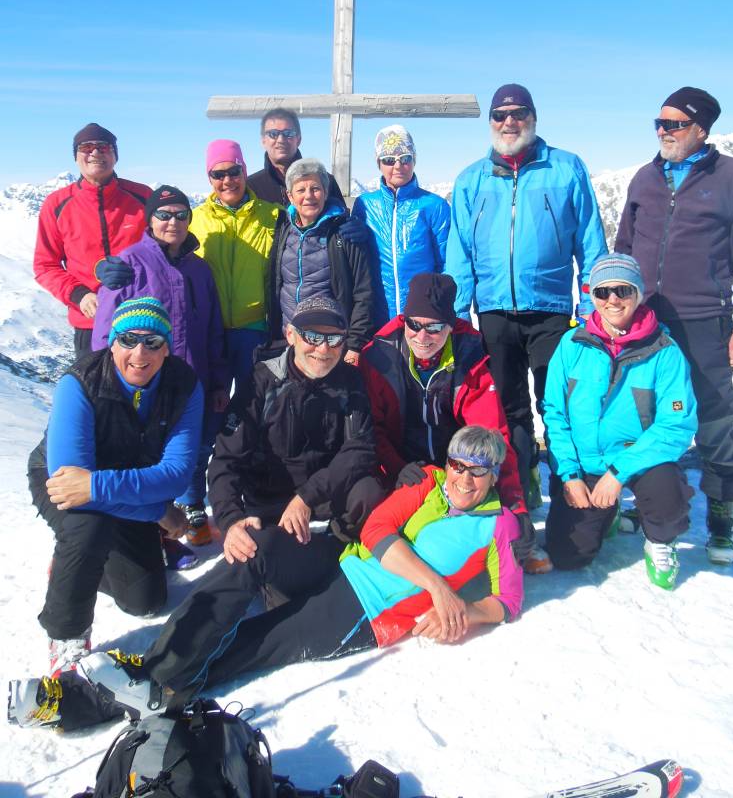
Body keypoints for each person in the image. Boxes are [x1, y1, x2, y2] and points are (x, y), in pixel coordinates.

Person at [9, 427, 524, 729]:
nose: (463, 478)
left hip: (366, 612)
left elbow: (509, 600)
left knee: (254, 643)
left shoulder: (498, 525)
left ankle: (88, 700)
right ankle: (156, 672)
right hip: (341, 561)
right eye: (458, 464)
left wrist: (463, 610)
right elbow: (377, 530)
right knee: (259, 550)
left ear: (493, 475)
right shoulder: (430, 482)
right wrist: (438, 588)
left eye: (477, 471)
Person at [616, 87, 733, 565]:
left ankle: (722, 514)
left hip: (705, 319)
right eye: (659, 123)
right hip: (646, 320)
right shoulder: (645, 178)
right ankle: (651, 498)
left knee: (714, 416)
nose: (663, 131)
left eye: (675, 124)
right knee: (644, 414)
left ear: (701, 129)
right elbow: (623, 248)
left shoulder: (731, 176)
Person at [446, 83, 607, 505]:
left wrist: (591, 306)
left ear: (533, 118)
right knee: (507, 407)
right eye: (500, 115)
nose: (509, 122)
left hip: (551, 311)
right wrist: (458, 316)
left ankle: (570, 491)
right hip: (494, 312)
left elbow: (590, 244)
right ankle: (520, 484)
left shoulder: (566, 168)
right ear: (490, 122)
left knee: (559, 405)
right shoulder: (471, 180)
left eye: (518, 113)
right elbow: (460, 255)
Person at [25, 297, 203, 676]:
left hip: (108, 485)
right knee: (88, 526)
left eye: (152, 342)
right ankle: (67, 634)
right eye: (128, 340)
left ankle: (77, 563)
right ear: (111, 343)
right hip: (58, 482)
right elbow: (70, 481)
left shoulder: (184, 385)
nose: (139, 353)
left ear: (167, 348)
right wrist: (157, 511)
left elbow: (175, 474)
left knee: (145, 601)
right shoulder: (81, 382)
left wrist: (98, 486)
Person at [543, 254, 697, 588]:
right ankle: (606, 515)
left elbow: (676, 425)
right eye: (603, 292)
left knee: (665, 486)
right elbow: (554, 413)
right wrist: (569, 475)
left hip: (640, 461)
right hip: (587, 463)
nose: (612, 299)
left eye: (623, 290)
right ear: (593, 297)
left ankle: (661, 540)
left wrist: (617, 473)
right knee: (568, 556)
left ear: (638, 294)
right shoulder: (572, 344)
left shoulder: (665, 350)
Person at [91, 186, 229, 546]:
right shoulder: (129, 264)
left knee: (192, 445)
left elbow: (213, 329)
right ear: (150, 220)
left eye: (181, 215)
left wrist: (218, 382)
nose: (173, 222)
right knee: (147, 448)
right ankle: (150, 520)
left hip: (192, 377)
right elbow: (105, 331)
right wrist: (108, 380)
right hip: (144, 378)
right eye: (164, 215)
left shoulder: (199, 269)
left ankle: (190, 503)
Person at [209, 295, 385, 562]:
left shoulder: (350, 380)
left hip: (323, 496)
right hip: (270, 503)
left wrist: (306, 497)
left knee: (369, 492)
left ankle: (336, 552)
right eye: (312, 337)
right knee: (258, 553)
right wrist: (231, 519)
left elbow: (360, 450)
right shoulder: (261, 382)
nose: (323, 349)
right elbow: (225, 459)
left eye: (334, 338)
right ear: (290, 335)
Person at [359, 273, 527, 518]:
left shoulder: (468, 358)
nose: (422, 336)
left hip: (456, 469)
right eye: (414, 324)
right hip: (399, 467)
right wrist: (397, 467)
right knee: (371, 504)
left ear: (450, 326)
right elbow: (372, 429)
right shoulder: (378, 357)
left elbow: (492, 434)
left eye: (434, 328)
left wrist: (515, 505)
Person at [33, 123, 151, 357]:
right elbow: (45, 265)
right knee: (95, 382)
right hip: (90, 322)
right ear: (76, 156)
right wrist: (80, 295)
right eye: (86, 147)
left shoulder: (143, 196)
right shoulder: (57, 204)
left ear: (115, 155)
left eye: (104, 147)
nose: (95, 153)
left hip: (142, 316)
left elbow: (164, 250)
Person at [191, 140, 281, 404]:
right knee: (209, 406)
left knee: (253, 406)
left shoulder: (274, 216)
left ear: (244, 171)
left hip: (255, 329)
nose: (227, 180)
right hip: (210, 330)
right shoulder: (194, 220)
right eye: (218, 174)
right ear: (209, 178)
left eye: (234, 171)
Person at [270, 159, 375, 365]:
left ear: (326, 193)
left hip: (331, 343)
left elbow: (363, 291)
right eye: (301, 190)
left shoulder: (343, 233)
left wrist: (355, 344)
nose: (308, 195)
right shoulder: (284, 230)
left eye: (315, 188)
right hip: (291, 340)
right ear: (290, 196)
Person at [351, 124, 451, 323]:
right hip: (377, 314)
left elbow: (446, 263)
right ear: (379, 163)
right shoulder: (365, 205)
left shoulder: (434, 205)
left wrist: (441, 308)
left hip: (422, 316)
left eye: (405, 158)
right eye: (389, 160)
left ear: (414, 160)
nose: (398, 166)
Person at [246, 107, 347, 208]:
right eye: (273, 134)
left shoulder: (325, 181)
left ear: (298, 139)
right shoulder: (250, 187)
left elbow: (341, 216)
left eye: (288, 133)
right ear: (263, 140)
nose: (281, 140)